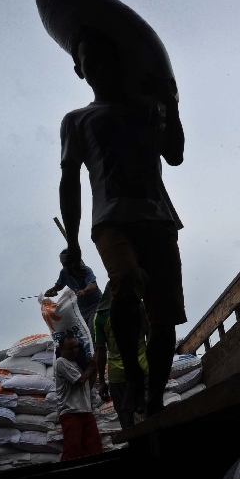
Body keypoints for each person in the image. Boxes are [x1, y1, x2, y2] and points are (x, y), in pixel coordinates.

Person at [57, 26, 186, 416]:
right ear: (80, 70)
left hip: (159, 219)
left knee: (164, 322)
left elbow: (175, 155)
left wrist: (171, 106)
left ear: (118, 62)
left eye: (104, 57)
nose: (97, 66)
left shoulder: (147, 110)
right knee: (127, 281)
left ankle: (155, 397)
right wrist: (76, 242)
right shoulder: (77, 120)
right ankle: (132, 373)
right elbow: (70, 183)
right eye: (87, 61)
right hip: (111, 223)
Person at [93, 282, 149, 430]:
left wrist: (102, 382)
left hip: (117, 376)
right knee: (151, 417)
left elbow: (100, 350)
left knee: (127, 424)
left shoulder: (100, 317)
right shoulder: (138, 305)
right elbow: (149, 333)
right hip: (142, 368)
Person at [55, 332, 102, 460]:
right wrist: (90, 367)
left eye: (76, 347)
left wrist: (94, 368)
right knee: (72, 450)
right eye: (70, 348)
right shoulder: (61, 362)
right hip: (70, 413)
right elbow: (80, 381)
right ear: (61, 350)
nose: (75, 350)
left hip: (86, 411)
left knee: (95, 448)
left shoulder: (78, 364)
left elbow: (88, 386)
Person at [45, 248, 103, 339]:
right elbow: (59, 285)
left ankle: (97, 350)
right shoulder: (64, 272)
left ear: (73, 261)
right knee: (82, 332)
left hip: (96, 305)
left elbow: (92, 285)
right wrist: (52, 290)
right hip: (82, 308)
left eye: (66, 264)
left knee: (92, 328)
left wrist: (84, 291)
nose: (65, 266)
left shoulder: (85, 270)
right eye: (63, 264)